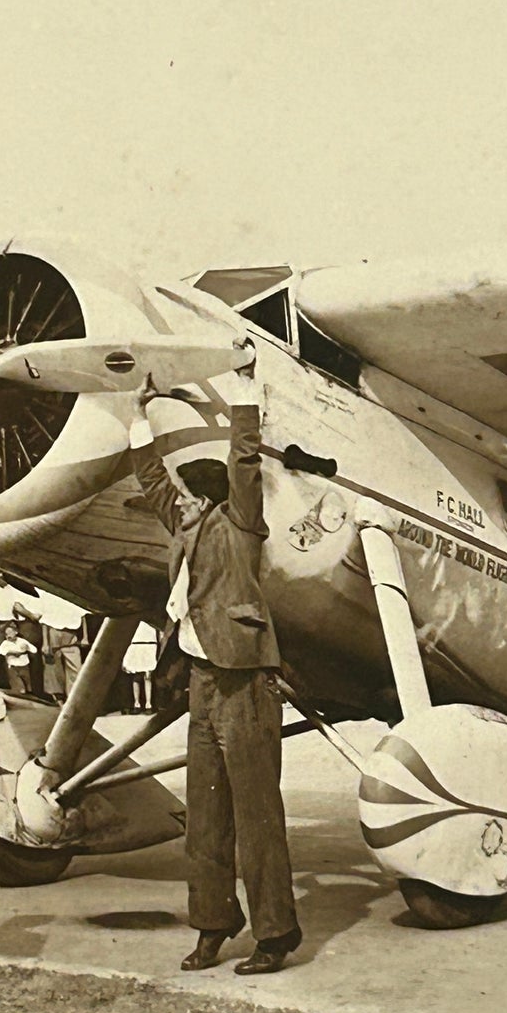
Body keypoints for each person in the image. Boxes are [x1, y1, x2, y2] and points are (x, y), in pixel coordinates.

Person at [131, 352, 300, 976]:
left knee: (256, 815)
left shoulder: (240, 522)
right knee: (205, 817)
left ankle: (275, 936)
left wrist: (245, 390)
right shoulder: (187, 529)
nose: (177, 502)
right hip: (203, 683)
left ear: (208, 498)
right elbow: (150, 478)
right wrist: (137, 412)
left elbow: (244, 459)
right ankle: (213, 925)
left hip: (245, 681)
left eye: (187, 495)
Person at [39, 590, 89, 701]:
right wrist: (45, 643)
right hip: (54, 631)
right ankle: (58, 700)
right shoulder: (48, 594)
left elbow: (83, 616)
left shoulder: (73, 594)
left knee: (75, 668)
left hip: (71, 634)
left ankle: (73, 698)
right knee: (53, 667)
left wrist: (85, 637)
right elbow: (44, 620)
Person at [124, 620, 159, 713]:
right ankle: (137, 704)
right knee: (136, 675)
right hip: (136, 643)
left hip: (150, 643)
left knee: (148, 675)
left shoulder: (153, 616)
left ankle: (148, 704)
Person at [0, 622, 37, 693]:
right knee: (20, 689)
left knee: (28, 688)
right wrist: (12, 651)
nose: (8, 635)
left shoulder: (22, 641)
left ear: (16, 632)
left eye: (10, 632)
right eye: (6, 634)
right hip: (13, 668)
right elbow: (0, 652)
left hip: (24, 667)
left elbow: (34, 650)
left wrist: (27, 647)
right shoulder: (5, 643)